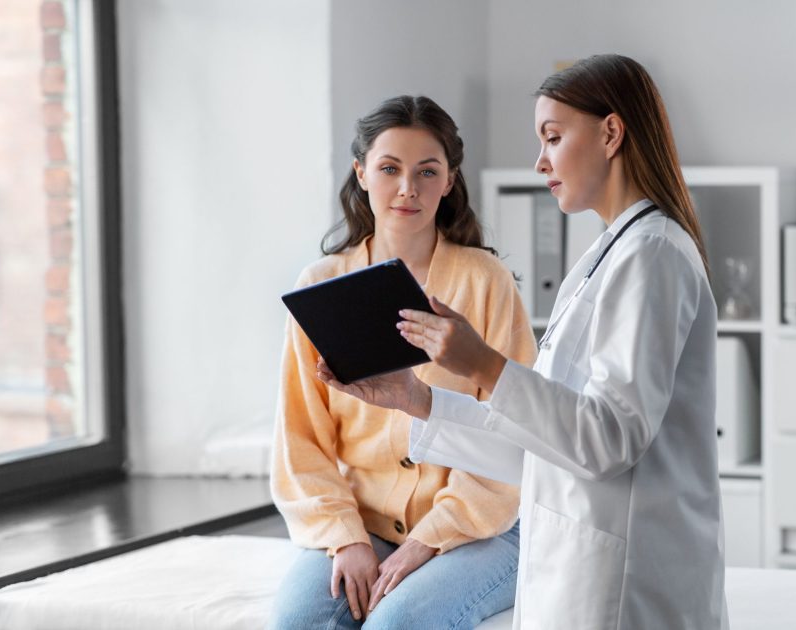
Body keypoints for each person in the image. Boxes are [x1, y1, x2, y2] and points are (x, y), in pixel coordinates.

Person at [318, 55, 728, 629]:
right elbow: (544, 443)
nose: (540, 162)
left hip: (627, 585)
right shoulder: (607, 256)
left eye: (553, 137)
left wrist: (483, 364)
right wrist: (420, 400)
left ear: (611, 133)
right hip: (577, 566)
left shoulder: (652, 255)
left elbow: (609, 439)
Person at [268, 95, 537, 630]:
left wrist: (425, 543)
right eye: (389, 169)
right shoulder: (320, 287)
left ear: (450, 180)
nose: (407, 188)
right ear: (361, 173)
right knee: (299, 623)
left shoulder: (485, 283)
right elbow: (300, 440)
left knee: (396, 624)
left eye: (427, 172)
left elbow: (514, 431)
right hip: (360, 521)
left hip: (481, 524)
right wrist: (346, 538)